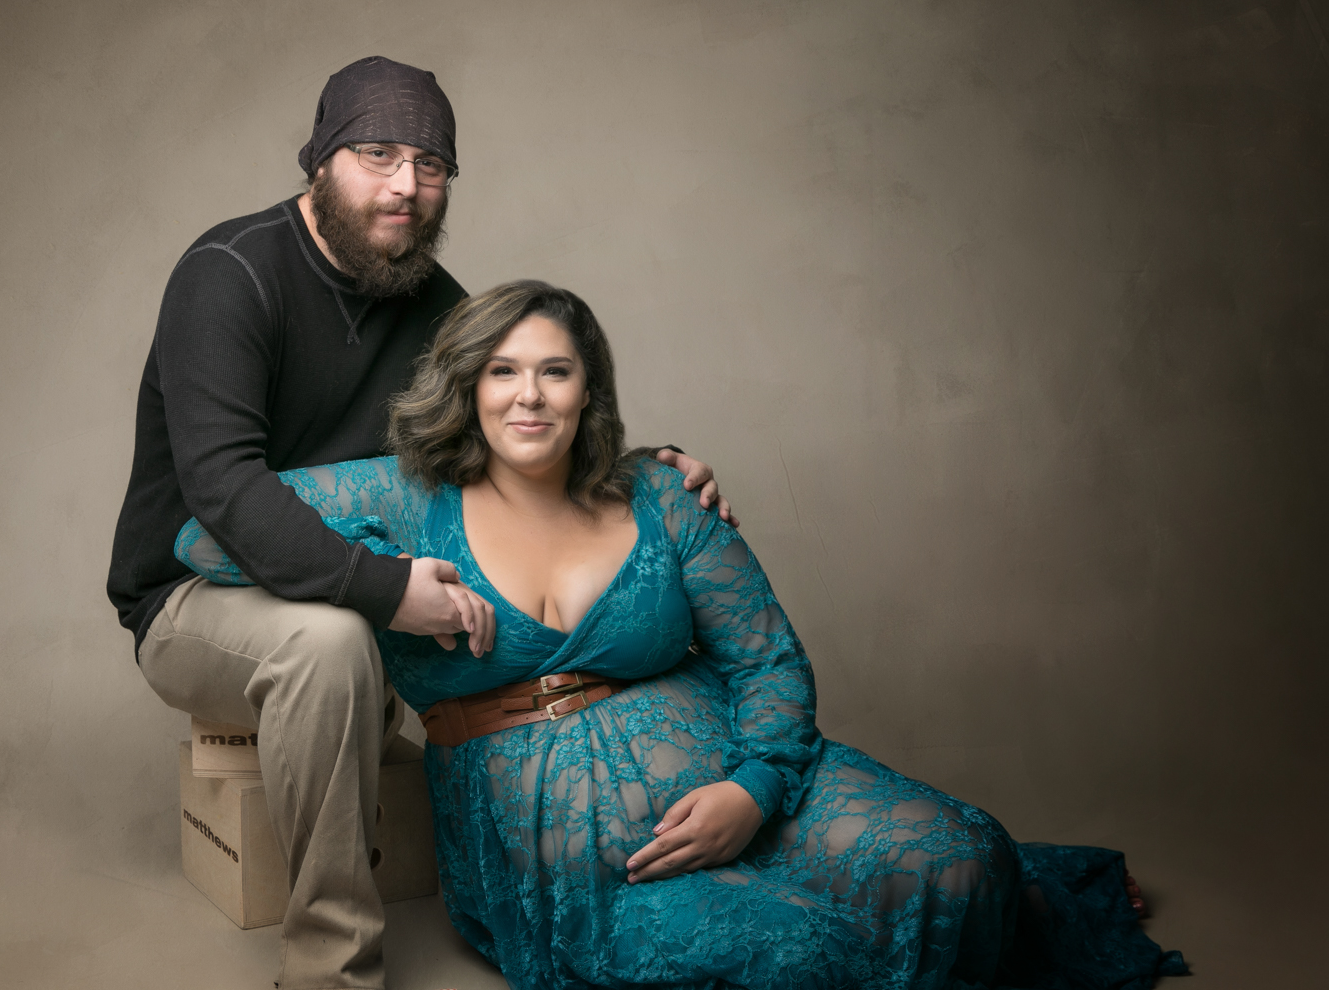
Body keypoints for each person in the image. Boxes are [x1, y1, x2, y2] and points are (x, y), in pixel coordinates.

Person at [175, 280, 1189, 990]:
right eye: (503, 371)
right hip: (567, 834)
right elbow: (205, 533)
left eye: (556, 372)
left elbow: (769, 661)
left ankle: (1033, 899)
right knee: (796, 959)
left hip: (730, 761)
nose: (528, 395)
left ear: (590, 391)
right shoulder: (401, 496)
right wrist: (382, 581)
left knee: (961, 860)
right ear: (468, 385)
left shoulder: (658, 491)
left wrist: (753, 790)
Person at [106, 59, 728, 990]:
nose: (406, 184)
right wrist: (387, 592)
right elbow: (223, 492)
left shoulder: (432, 300)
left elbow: (519, 432)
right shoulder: (228, 275)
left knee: (523, 599)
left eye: (431, 164)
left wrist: (642, 475)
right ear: (320, 159)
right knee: (328, 645)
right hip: (191, 590)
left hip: (351, 577)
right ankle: (331, 973)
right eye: (378, 154)